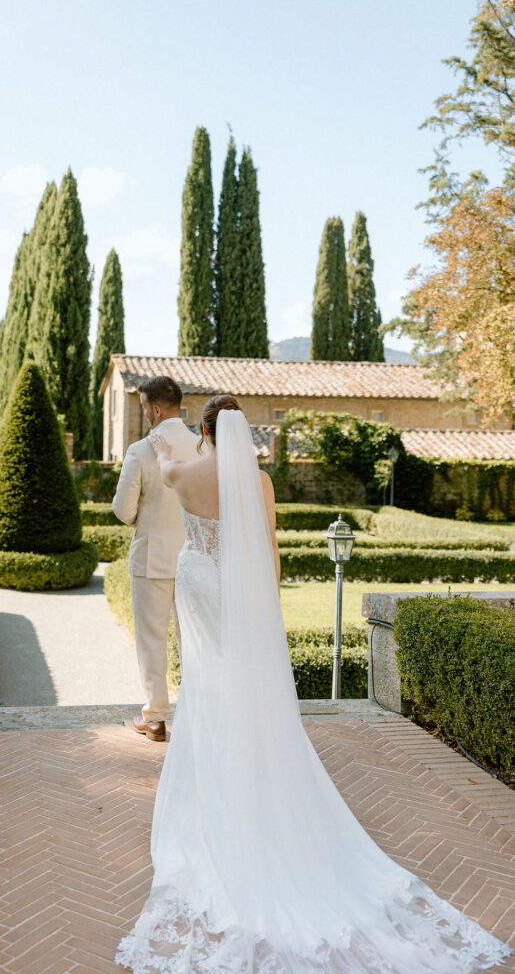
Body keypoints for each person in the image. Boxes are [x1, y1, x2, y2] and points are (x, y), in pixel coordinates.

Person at [115, 395, 512, 974]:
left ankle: (218, 781)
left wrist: (162, 442)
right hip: (237, 590)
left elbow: (167, 472)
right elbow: (270, 565)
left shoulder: (180, 472)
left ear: (205, 432)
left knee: (206, 685)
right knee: (243, 686)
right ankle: (255, 766)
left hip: (196, 583)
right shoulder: (262, 483)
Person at [112, 375, 200, 743]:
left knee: (151, 639)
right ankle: (197, 712)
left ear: (156, 409)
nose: (144, 413)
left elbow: (121, 509)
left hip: (151, 558)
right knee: (192, 638)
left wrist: (140, 520)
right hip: (194, 559)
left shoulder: (140, 450)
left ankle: (156, 717)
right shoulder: (201, 446)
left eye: (145, 407)